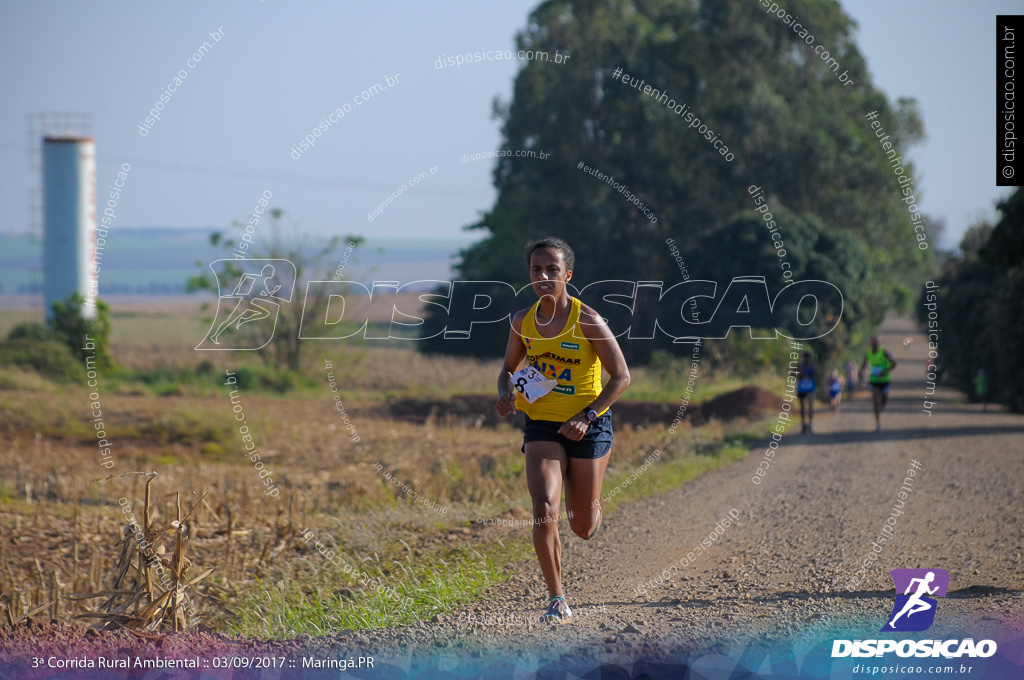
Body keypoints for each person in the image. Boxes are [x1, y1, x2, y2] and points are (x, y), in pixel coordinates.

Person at [495, 238, 631, 624]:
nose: (542, 276)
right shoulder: (523, 320)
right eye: (536, 270)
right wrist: (505, 393)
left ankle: (589, 504)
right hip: (541, 425)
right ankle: (557, 599)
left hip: (588, 423)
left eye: (551, 270)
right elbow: (507, 369)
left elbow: (621, 377)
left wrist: (587, 416)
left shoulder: (588, 320)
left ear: (567, 275)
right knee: (543, 509)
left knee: (582, 526)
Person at [859, 336, 898, 432]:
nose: (875, 345)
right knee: (876, 402)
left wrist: (886, 371)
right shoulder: (868, 354)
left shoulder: (884, 352)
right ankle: (878, 423)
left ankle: (882, 405)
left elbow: (894, 363)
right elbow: (863, 366)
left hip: (885, 380)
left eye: (877, 343)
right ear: (871, 344)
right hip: (874, 380)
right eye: (874, 344)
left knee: (884, 401)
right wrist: (860, 374)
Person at [797, 351, 816, 433]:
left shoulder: (813, 365)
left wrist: (814, 372)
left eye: (808, 358)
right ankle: (804, 424)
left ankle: (811, 424)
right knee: (802, 408)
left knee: (810, 406)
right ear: (804, 358)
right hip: (801, 388)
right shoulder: (799, 366)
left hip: (810, 388)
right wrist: (800, 375)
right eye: (805, 358)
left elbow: (816, 374)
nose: (807, 360)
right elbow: (792, 374)